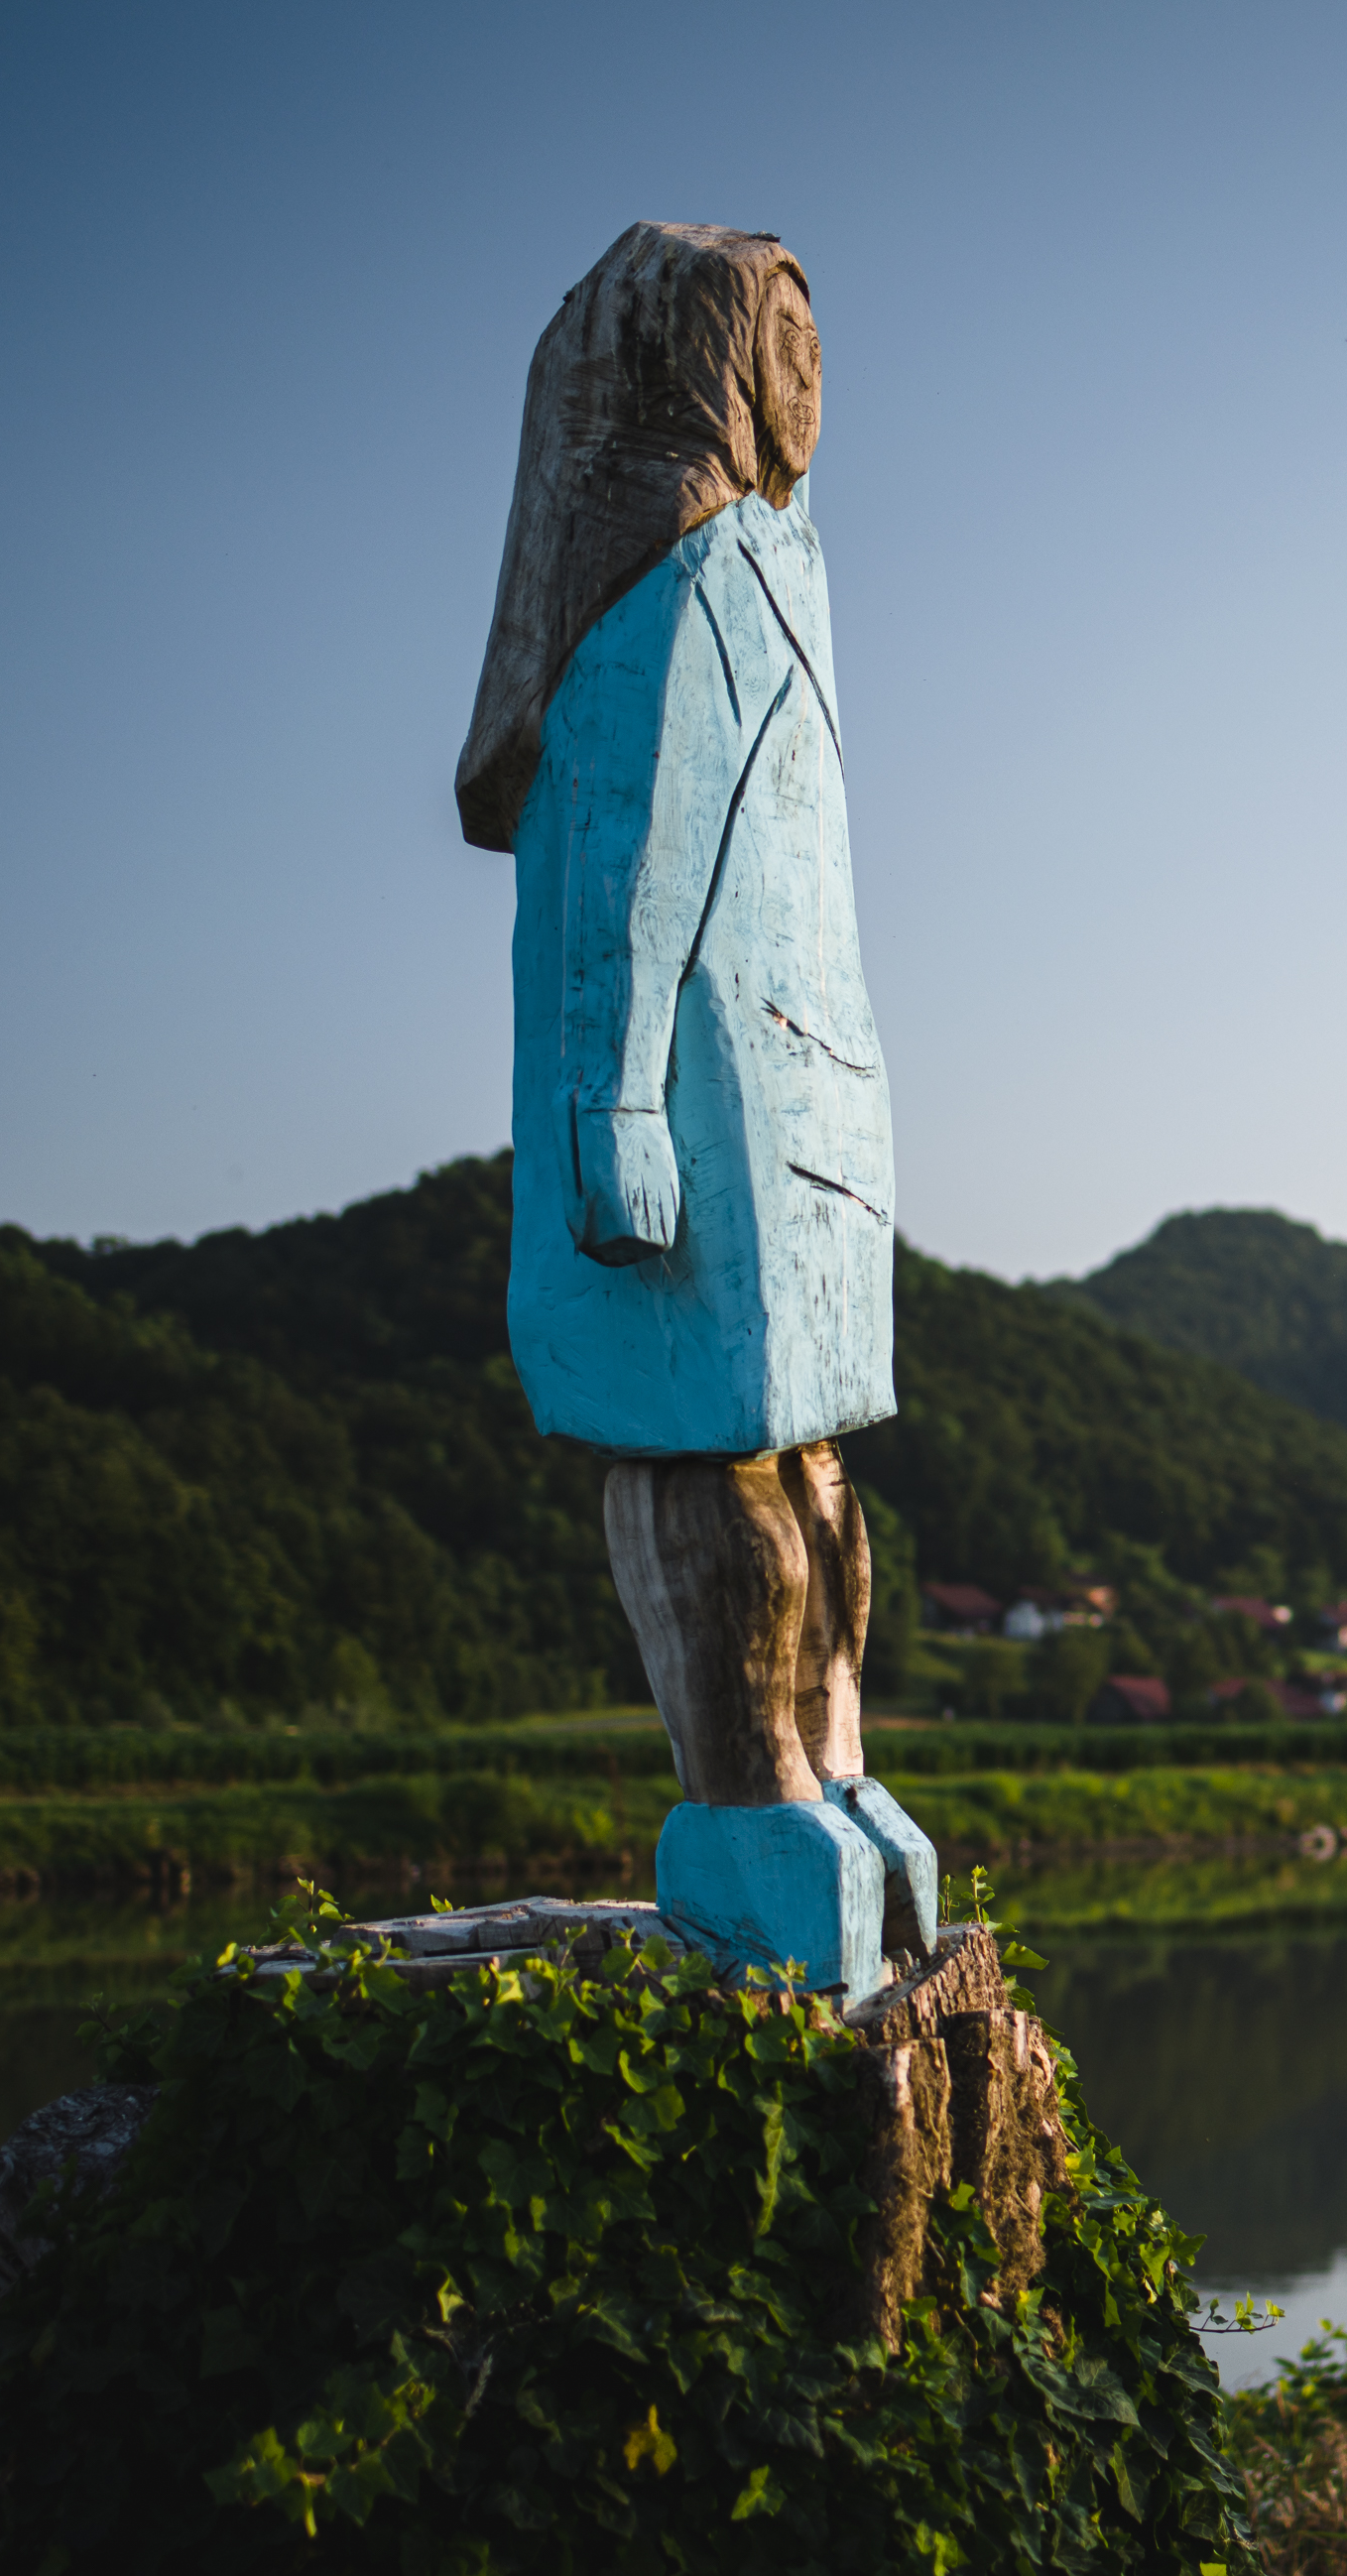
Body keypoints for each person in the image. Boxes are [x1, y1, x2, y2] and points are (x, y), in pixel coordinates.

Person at [456, 220, 938, 1995]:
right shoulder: (655, 568)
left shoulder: (788, 564)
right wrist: (617, 1106)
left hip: (809, 1084)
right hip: (695, 1091)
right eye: (770, 337)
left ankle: (837, 1771)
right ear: (691, 360)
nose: (804, 379)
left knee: (818, 1467)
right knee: (712, 1455)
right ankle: (747, 1803)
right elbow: (620, 856)